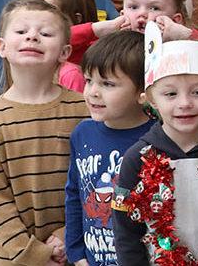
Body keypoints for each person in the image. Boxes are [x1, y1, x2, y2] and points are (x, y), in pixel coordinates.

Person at [0, 0, 90, 266]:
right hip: (16, 258)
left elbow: (95, 182)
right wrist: (35, 256)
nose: (33, 37)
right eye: (21, 31)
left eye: (45, 33)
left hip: (78, 249)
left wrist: (67, 235)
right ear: (2, 47)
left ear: (64, 52)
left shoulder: (84, 111)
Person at [112, 23, 198, 266]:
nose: (184, 103)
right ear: (150, 99)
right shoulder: (137, 159)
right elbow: (126, 230)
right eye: (170, 94)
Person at [63, 31, 154, 266]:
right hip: (92, 258)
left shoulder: (158, 140)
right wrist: (77, 254)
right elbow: (75, 193)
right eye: (89, 80)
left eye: (108, 84)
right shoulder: (82, 133)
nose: (93, 91)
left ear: (142, 92)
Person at [40, 0, 100, 92]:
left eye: (51, 13)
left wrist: (93, 30)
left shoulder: (94, 50)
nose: (41, 18)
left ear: (76, 19)